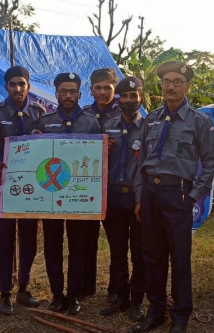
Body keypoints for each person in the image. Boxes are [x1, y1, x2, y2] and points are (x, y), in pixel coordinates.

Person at [132, 61, 214, 333]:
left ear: (186, 86)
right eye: (166, 81)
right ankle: (156, 310)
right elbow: (141, 163)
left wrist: (192, 197)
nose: (170, 86)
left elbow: (211, 163)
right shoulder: (152, 118)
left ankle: (180, 316)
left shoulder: (199, 121)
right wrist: (139, 197)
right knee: (152, 256)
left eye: (176, 82)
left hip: (178, 194)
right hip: (150, 194)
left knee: (179, 258)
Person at [37, 72, 100, 315]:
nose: (68, 95)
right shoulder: (45, 121)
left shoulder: (91, 122)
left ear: (79, 94)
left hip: (78, 198)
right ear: (56, 94)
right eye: (63, 91)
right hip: (51, 195)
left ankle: (73, 295)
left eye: (72, 91)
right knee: (52, 245)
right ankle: (56, 295)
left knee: (78, 247)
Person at [0, 65, 45, 315]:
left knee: (28, 239)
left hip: (33, 187)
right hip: (5, 186)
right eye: (13, 84)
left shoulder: (39, 112)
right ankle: (4, 293)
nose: (17, 89)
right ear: (6, 87)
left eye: (22, 84)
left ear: (28, 86)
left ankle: (23, 287)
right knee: (4, 240)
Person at [99, 76, 145, 321]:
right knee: (117, 251)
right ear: (118, 99)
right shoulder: (108, 126)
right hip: (114, 197)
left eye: (133, 96)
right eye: (124, 96)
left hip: (137, 200)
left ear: (141, 97)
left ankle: (137, 300)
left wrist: (142, 199)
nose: (128, 101)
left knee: (139, 252)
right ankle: (118, 296)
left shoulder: (149, 127)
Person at [80, 68, 121, 301]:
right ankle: (87, 287)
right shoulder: (84, 114)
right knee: (87, 240)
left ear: (114, 88)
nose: (103, 92)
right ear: (91, 89)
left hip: (114, 187)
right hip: (87, 187)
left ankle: (116, 289)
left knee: (116, 242)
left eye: (107, 87)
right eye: (98, 88)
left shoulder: (125, 112)